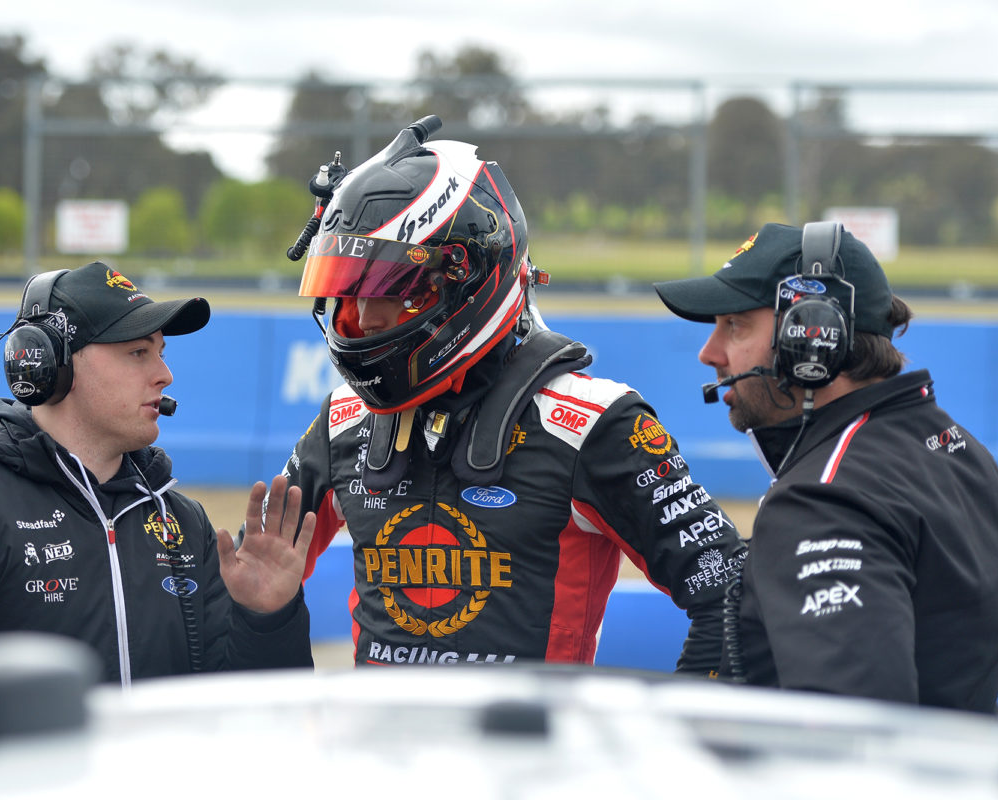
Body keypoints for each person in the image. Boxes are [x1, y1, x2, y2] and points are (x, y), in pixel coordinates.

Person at [279, 115, 744, 670]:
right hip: (376, 753)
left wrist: (680, 744)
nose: (364, 318)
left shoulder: (595, 424)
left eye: (392, 289)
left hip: (528, 756)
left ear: (468, 278)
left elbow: (731, 596)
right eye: (348, 290)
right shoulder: (342, 419)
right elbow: (250, 585)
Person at [0, 261, 316, 736]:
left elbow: (257, 723)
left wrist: (267, 618)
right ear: (49, 363)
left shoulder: (183, 522)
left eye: (162, 352)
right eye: (137, 353)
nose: (165, 375)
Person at [653, 221, 998, 712]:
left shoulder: (822, 499)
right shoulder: (958, 449)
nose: (709, 353)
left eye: (734, 325)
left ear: (813, 340)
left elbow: (852, 735)